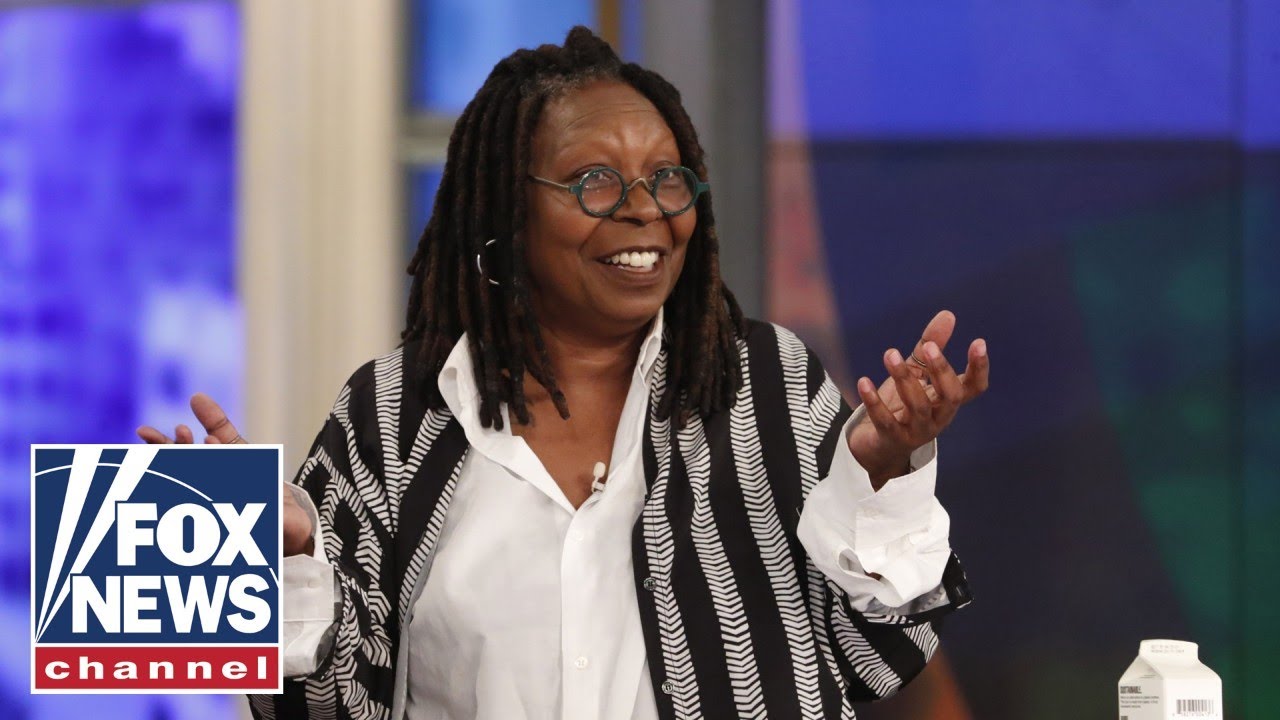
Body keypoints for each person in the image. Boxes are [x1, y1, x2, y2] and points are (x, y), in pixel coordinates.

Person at [140, 26, 989, 720]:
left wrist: (881, 471)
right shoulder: (391, 415)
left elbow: (879, 655)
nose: (645, 208)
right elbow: (319, 709)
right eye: (594, 181)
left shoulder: (765, 386)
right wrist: (286, 563)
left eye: (667, 177)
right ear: (507, 210)